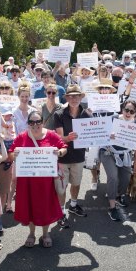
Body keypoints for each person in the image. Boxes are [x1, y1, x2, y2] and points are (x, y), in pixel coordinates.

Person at [9, 111, 67, 247]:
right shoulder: (22, 137)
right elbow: (11, 154)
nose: (35, 125)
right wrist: (14, 154)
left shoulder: (51, 135)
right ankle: (31, 233)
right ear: (28, 123)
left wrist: (59, 152)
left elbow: (64, 147)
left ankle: (46, 234)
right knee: (30, 206)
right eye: (31, 122)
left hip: (46, 181)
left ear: (42, 122)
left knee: (45, 206)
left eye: (38, 122)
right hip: (27, 181)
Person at [54, 84, 91, 226]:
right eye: (71, 96)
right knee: (62, 186)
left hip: (79, 156)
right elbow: (59, 138)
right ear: (67, 98)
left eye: (77, 96)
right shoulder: (59, 114)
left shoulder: (87, 114)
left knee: (76, 182)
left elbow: (95, 133)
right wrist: (67, 138)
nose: (74, 98)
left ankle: (74, 205)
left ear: (81, 97)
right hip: (63, 157)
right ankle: (61, 211)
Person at [101, 100, 136, 221]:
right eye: (126, 110)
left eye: (132, 111)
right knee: (113, 176)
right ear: (122, 109)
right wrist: (109, 135)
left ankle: (119, 195)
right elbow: (100, 133)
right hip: (108, 151)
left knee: (125, 178)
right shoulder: (113, 118)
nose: (128, 113)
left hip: (125, 153)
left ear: (135, 113)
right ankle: (112, 207)